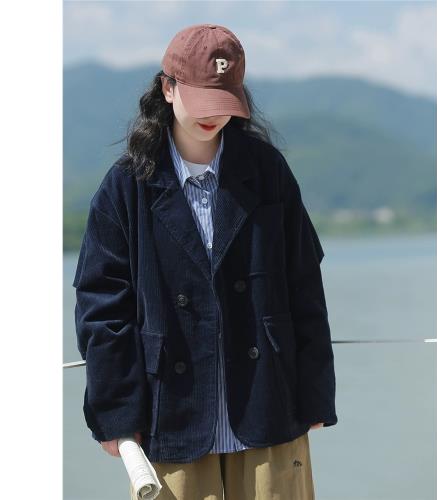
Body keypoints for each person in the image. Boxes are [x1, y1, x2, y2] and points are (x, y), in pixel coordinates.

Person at [73, 23, 338, 500]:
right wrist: (116, 413)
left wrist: (316, 393)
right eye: (201, 100)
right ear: (167, 88)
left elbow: (304, 286)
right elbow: (102, 307)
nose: (213, 116)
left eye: (224, 101)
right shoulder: (127, 186)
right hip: (170, 413)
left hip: (268, 402)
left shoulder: (268, 171)